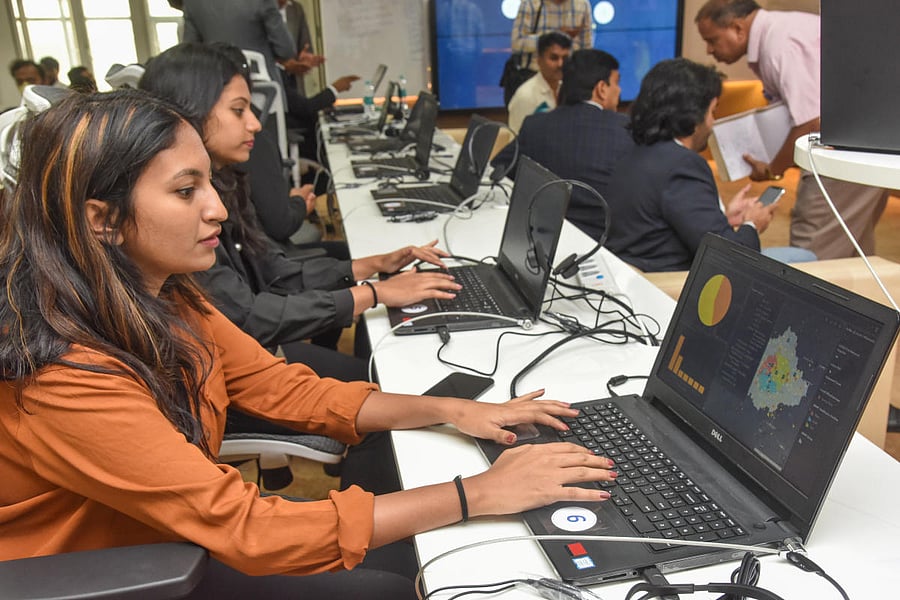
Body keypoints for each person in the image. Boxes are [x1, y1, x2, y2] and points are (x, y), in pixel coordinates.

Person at [0, 87, 617, 598]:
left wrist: (458, 411)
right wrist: (477, 493)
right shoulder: (61, 372)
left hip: (167, 531)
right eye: (186, 192)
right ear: (101, 219)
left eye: (209, 184)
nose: (215, 208)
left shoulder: (160, 293)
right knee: (403, 585)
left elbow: (282, 386)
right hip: (116, 571)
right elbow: (245, 527)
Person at [138, 43, 458, 368]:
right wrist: (373, 294)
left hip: (253, 354)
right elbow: (248, 316)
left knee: (378, 356)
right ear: (190, 112)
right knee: (383, 377)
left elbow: (272, 269)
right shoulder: (181, 215)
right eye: (238, 110)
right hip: (237, 371)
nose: (255, 124)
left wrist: (372, 264)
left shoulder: (226, 181)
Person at [695, 0, 888, 260]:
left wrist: (775, 169)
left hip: (845, 148)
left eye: (712, 40)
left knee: (811, 255)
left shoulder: (779, 44)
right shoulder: (780, 32)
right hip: (868, 138)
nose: (709, 50)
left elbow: (811, 121)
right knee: (852, 252)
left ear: (737, 28)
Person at [603, 58, 790, 272]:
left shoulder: (635, 154)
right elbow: (731, 259)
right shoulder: (683, 166)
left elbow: (664, 223)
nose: (712, 123)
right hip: (674, 286)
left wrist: (724, 218)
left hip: (635, 278)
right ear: (693, 117)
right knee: (804, 257)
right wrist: (752, 224)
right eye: (712, 112)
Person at [492, 49, 632, 242]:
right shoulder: (627, 129)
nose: (620, 90)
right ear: (601, 88)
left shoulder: (535, 125)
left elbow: (496, 171)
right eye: (616, 83)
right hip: (606, 244)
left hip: (539, 241)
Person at [507, 30, 571, 133]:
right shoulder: (525, 96)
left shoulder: (570, 89)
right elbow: (517, 142)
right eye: (554, 58)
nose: (560, 64)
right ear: (539, 60)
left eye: (565, 58)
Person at [511, 0, 593, 72]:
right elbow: (517, 43)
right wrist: (551, 38)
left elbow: (586, 50)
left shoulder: (582, 4)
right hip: (535, 74)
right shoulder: (530, 3)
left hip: (570, 77)